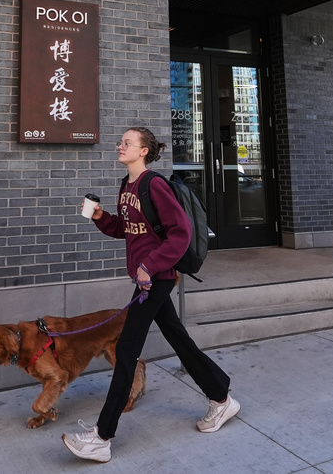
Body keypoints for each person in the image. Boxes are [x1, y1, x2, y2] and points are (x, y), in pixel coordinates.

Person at [62, 126, 240, 463]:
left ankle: (101, 436)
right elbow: (126, 230)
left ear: (143, 150)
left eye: (127, 143)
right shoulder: (126, 185)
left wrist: (150, 267)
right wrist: (101, 217)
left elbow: (180, 232)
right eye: (120, 142)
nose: (120, 146)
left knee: (126, 350)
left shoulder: (153, 184)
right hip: (146, 277)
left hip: (155, 277)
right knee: (178, 338)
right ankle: (221, 397)